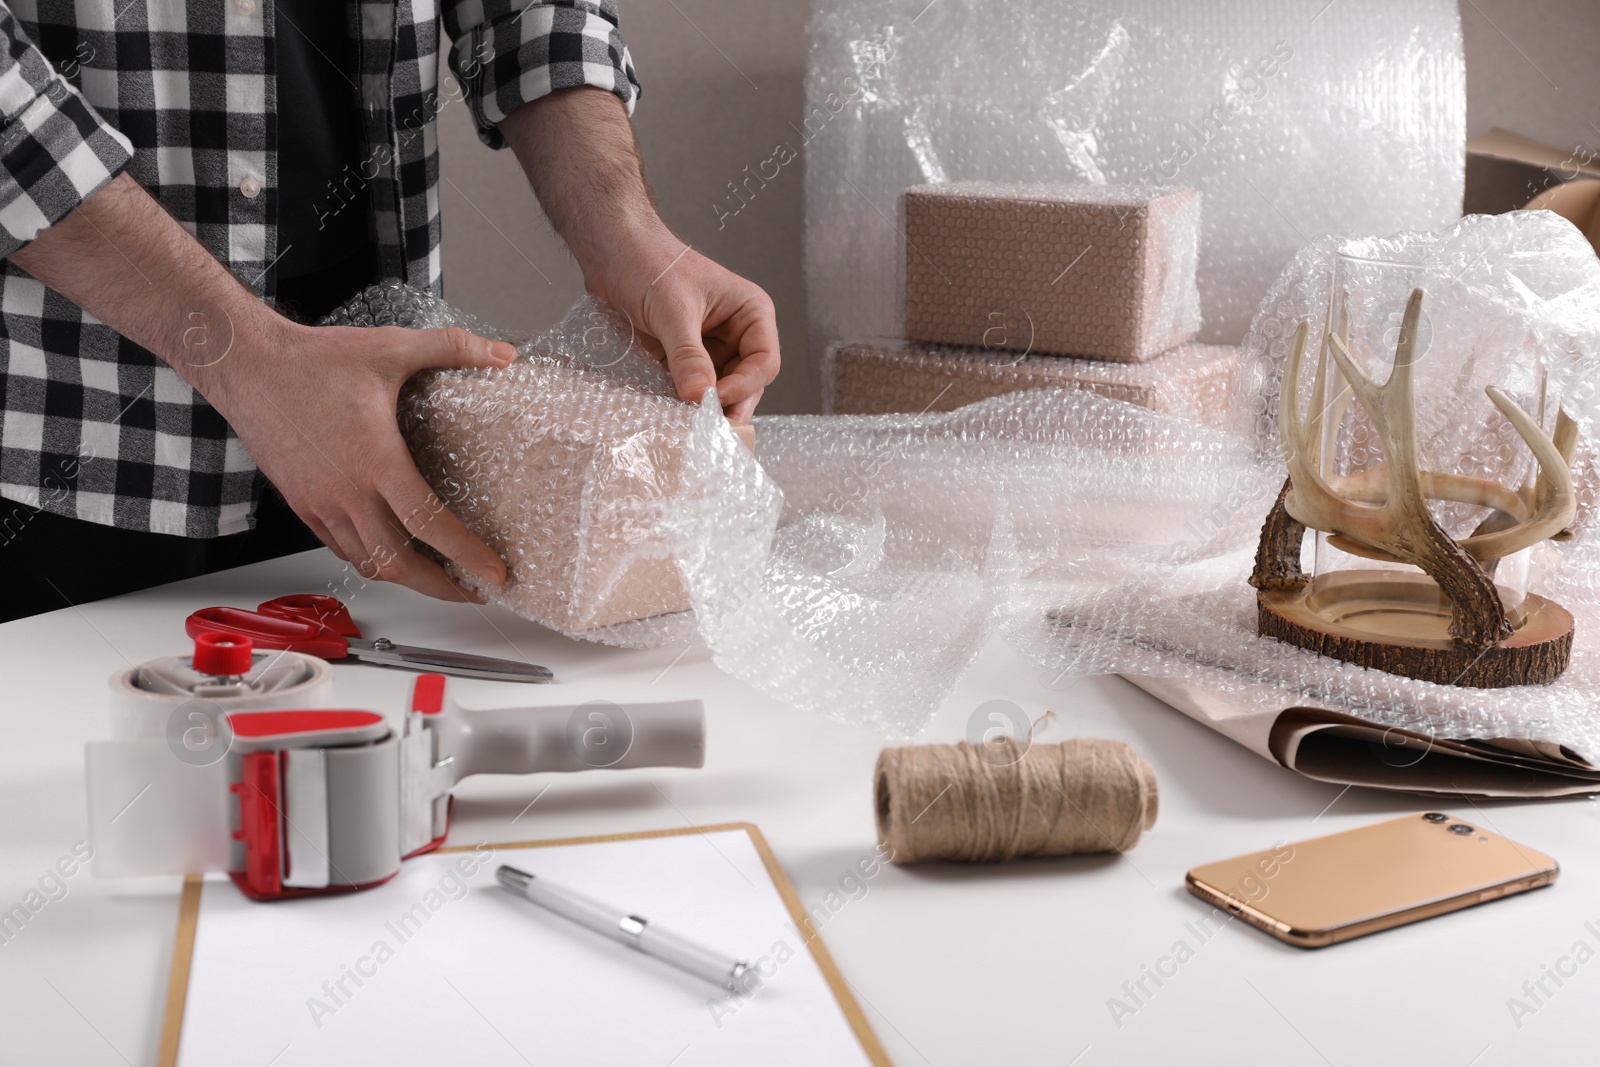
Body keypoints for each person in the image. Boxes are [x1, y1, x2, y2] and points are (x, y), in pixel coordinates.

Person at [0, 0, 779, 622]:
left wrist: (626, 232)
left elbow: (531, 11)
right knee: (112, 787)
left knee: (371, 784)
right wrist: (249, 360)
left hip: (377, 420)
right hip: (83, 421)